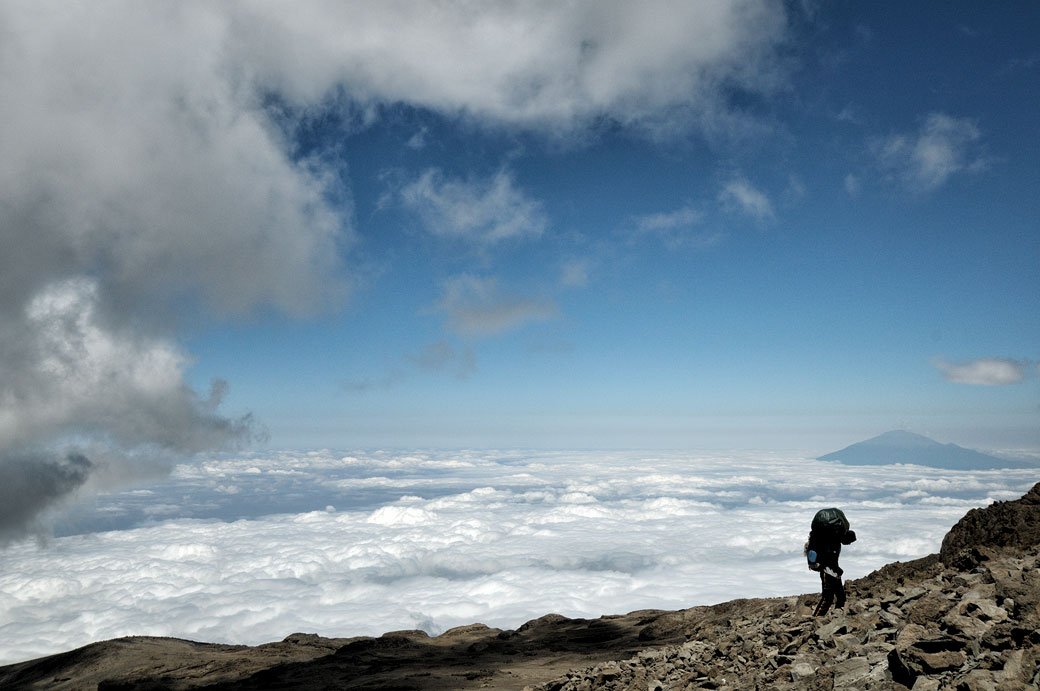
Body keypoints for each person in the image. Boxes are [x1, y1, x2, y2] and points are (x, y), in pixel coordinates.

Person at [804, 508, 856, 616]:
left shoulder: (831, 539)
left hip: (831, 571)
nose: (849, 544)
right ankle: (816, 620)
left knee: (841, 597)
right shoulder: (833, 541)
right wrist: (837, 569)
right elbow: (829, 559)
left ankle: (838, 616)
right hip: (827, 571)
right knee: (827, 598)